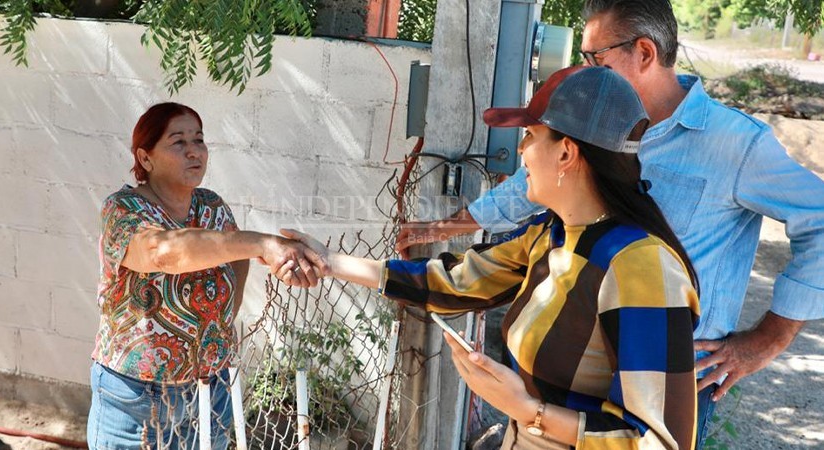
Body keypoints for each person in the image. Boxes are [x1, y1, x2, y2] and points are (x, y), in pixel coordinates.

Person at [397, 1, 824, 446]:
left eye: (594, 57)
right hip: (572, 367)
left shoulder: (735, 145)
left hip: (657, 386)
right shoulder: (597, 116)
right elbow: (534, 178)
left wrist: (767, 340)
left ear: (644, 52)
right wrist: (450, 226)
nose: (584, 68)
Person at [282, 66, 700, 449]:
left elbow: (661, 442)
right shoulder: (550, 233)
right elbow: (455, 280)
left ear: (566, 153)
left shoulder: (640, 266)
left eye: (532, 136)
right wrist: (329, 262)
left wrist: (529, 411)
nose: (521, 149)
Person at [87, 102, 326, 450]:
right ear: (146, 158)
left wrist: (226, 314)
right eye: (178, 142)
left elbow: (235, 253)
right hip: (137, 397)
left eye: (198, 140)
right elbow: (163, 252)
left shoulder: (211, 206)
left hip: (210, 390)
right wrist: (263, 243)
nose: (193, 151)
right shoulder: (123, 210)